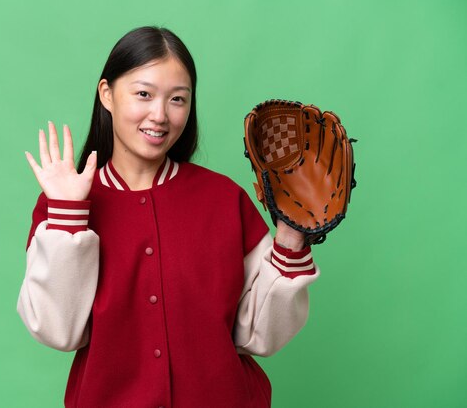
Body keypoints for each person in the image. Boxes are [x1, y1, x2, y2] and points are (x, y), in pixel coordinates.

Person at [17, 26, 319, 408]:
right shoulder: (63, 205)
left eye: (178, 99)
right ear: (107, 94)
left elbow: (260, 335)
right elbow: (59, 331)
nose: (160, 115)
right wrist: (68, 214)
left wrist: (291, 237)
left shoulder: (225, 199)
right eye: (143, 94)